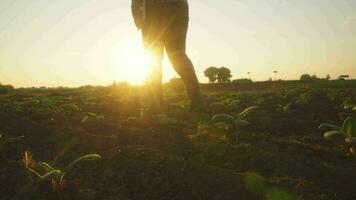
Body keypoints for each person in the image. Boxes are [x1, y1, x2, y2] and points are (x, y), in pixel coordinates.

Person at [131, 0, 203, 111]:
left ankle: (196, 101)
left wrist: (137, 14)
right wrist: (136, 14)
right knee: (157, 57)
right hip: (158, 12)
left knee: (173, 56)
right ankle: (157, 104)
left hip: (172, 10)